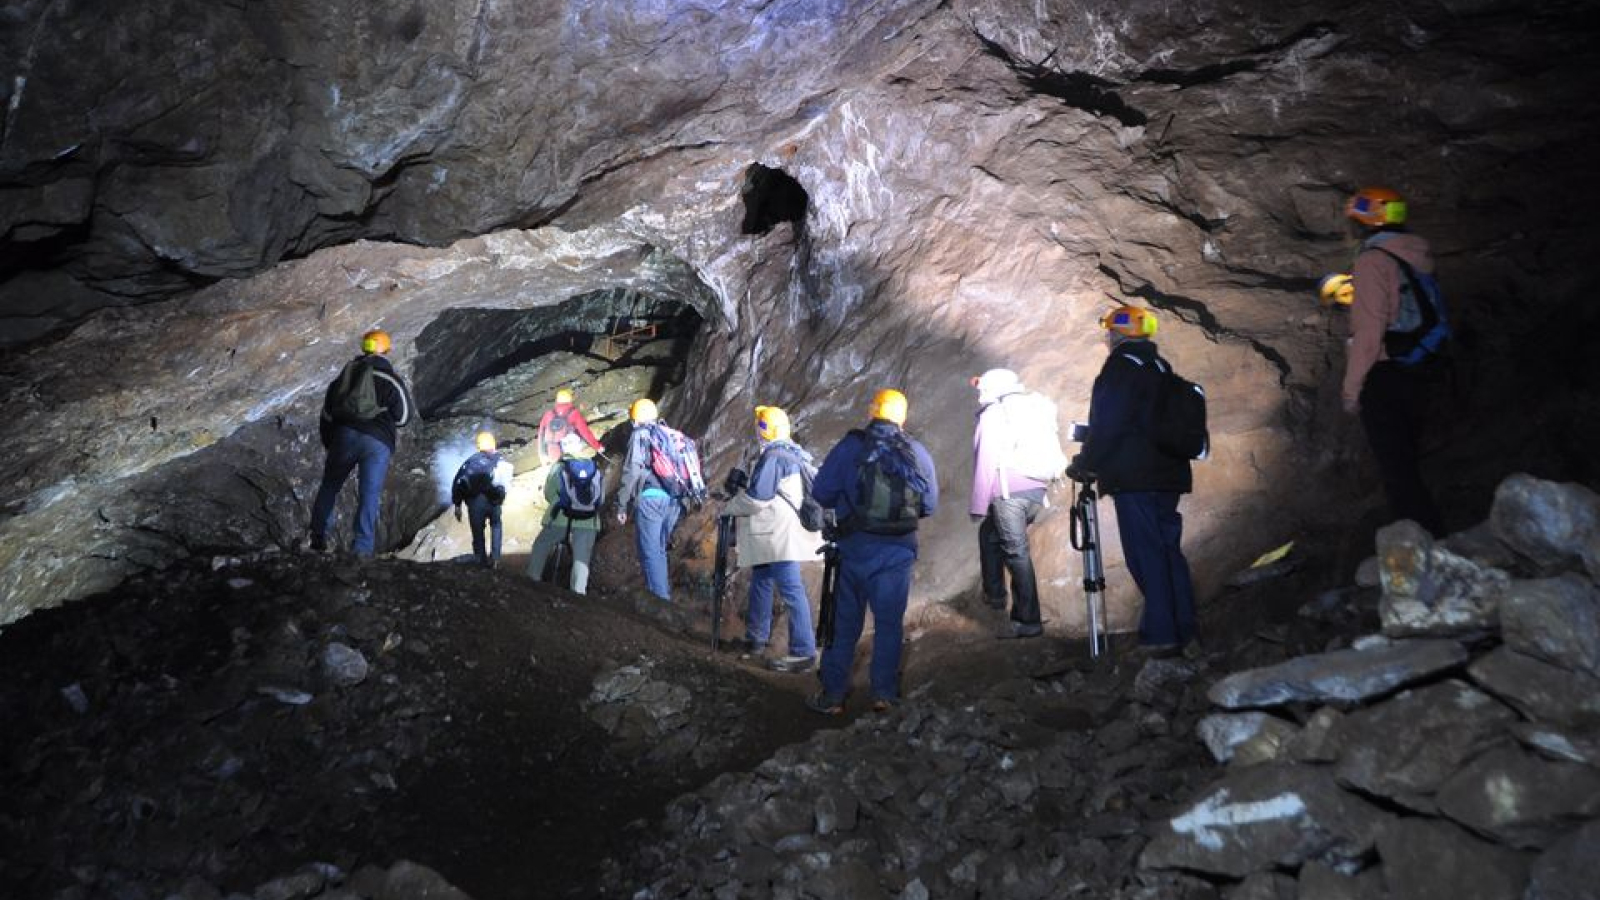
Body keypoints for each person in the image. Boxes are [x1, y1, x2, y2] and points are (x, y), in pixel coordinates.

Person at [1068, 305, 1198, 654]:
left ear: (1116, 334)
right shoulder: (1160, 367)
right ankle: (1184, 627)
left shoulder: (1119, 368)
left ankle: (1160, 634)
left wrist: (1086, 461)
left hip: (1135, 478)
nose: (1107, 338)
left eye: (1109, 332)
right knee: (1168, 551)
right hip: (1168, 475)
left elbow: (1108, 424)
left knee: (1146, 554)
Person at [807, 389, 938, 714]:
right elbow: (930, 504)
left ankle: (833, 696)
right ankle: (884, 695)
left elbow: (821, 491)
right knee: (889, 624)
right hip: (897, 552)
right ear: (902, 417)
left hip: (854, 549)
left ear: (872, 412)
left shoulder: (851, 446)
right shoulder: (916, 451)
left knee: (846, 623)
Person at [1338, 186, 1445, 536]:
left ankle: (1422, 549)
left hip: (1385, 376)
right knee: (1410, 463)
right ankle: (1431, 539)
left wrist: (1352, 390)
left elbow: (1368, 336)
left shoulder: (1372, 261)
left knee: (1397, 471)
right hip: (1420, 369)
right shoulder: (1417, 255)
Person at [722, 406, 820, 673]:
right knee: (761, 582)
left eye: (758, 424)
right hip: (774, 534)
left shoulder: (774, 456)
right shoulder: (791, 452)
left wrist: (730, 506)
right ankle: (756, 639)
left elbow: (758, 499)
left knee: (790, 588)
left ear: (764, 429)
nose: (756, 428)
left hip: (778, 536)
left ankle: (804, 652)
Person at [309, 329, 413, 557]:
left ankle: (318, 538)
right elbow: (404, 417)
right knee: (369, 495)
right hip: (377, 442)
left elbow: (327, 415)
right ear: (386, 350)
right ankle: (362, 549)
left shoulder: (344, 378)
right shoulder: (389, 379)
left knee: (329, 486)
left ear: (363, 348)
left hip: (343, 437)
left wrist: (332, 443)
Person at [970, 368, 1048, 639]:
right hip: (1036, 491)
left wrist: (979, 504)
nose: (980, 392)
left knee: (1016, 553)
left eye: (983, 387)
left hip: (1009, 493)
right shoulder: (1031, 407)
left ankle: (1028, 620)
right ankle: (995, 596)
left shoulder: (994, 413)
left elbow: (985, 461)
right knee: (990, 534)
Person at [614, 398, 683, 600]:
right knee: (659, 550)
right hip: (673, 500)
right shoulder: (667, 433)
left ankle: (660, 602)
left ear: (635, 419)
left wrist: (621, 504)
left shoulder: (640, 435)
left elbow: (632, 471)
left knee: (651, 552)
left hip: (651, 498)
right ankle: (662, 595)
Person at [525, 434, 604, 594]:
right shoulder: (593, 467)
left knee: (541, 546)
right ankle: (579, 595)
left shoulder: (559, 466)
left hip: (560, 518)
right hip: (588, 522)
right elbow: (600, 498)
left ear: (563, 447)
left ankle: (531, 584)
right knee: (581, 560)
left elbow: (548, 493)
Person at [451, 430, 514, 568]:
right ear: (493, 444)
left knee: (478, 533)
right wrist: (501, 497)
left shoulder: (470, 462)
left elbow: (458, 482)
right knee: (496, 526)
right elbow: (506, 481)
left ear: (478, 445)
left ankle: (481, 561)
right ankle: (496, 560)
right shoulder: (499, 460)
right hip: (493, 500)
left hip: (475, 503)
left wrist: (457, 505)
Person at [538, 388, 604, 465]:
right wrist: (598, 447)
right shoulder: (574, 413)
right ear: (570, 400)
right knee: (585, 439)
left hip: (551, 450)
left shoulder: (548, 414)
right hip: (567, 447)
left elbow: (541, 434)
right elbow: (585, 433)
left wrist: (542, 455)